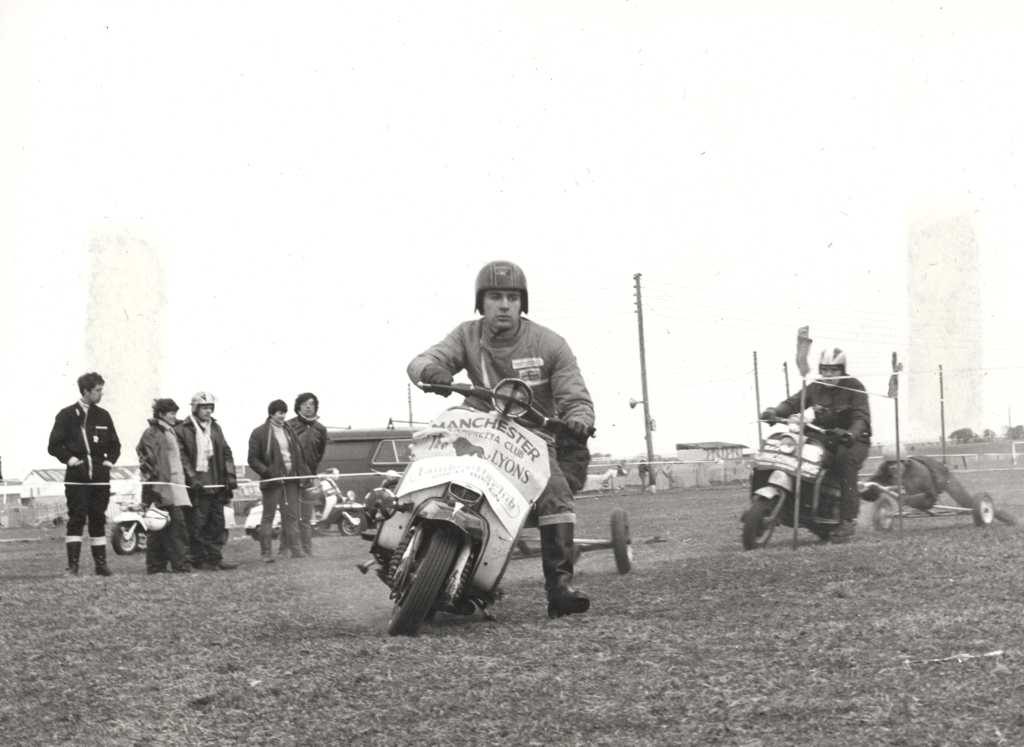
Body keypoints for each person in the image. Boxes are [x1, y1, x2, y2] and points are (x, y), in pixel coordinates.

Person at [407, 260, 595, 618]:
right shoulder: (466, 335)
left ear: (523, 303)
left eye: (512, 297)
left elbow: (575, 394)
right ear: (481, 303)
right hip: (477, 427)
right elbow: (422, 360)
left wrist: (579, 419)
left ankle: (560, 589)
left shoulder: (550, 343)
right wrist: (432, 371)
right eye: (495, 296)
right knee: (431, 465)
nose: (504, 305)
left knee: (556, 492)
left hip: (531, 440)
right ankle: (410, 551)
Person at [761, 347, 871, 542]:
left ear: (842, 370)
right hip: (824, 434)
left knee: (845, 461)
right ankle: (798, 504)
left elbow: (860, 417)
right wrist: (774, 411)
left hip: (853, 439)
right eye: (825, 370)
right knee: (797, 451)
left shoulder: (854, 387)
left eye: (834, 370)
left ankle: (847, 520)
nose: (828, 374)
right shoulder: (815, 387)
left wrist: (851, 433)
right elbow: (793, 402)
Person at [47, 371, 121, 576]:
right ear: (86, 391)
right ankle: (73, 566)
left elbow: (116, 445)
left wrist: (108, 462)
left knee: (98, 517)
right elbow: (54, 445)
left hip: (100, 478)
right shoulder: (66, 415)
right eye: (98, 390)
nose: (101, 394)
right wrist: (70, 459)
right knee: (77, 518)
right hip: (77, 477)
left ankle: (101, 565)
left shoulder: (103, 415)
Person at [175, 392, 239, 570]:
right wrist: (192, 478)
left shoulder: (216, 428)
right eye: (204, 407)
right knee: (197, 523)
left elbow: (226, 452)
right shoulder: (182, 429)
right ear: (195, 408)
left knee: (217, 522)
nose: (208, 411)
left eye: (210, 407)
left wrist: (230, 476)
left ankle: (215, 558)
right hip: (197, 486)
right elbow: (182, 457)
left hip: (216, 483)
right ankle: (199, 558)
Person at [248, 399, 309, 562]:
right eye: (280, 413)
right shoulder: (259, 433)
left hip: (291, 480)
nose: (283, 416)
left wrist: (301, 474)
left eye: (284, 412)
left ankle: (296, 550)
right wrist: (268, 473)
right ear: (271, 414)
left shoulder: (289, 431)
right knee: (268, 517)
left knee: (292, 516)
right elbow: (252, 459)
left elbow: (298, 455)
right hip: (272, 481)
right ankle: (266, 553)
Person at [136, 398, 192, 574]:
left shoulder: (170, 431)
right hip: (162, 487)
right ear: (160, 414)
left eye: (175, 413)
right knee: (173, 526)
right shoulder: (152, 433)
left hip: (174, 485)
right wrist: (156, 488)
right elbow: (150, 460)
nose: (174, 416)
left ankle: (157, 566)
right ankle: (177, 565)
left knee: (163, 527)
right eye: (171, 413)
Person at [286, 392, 328, 556]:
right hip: (291, 478)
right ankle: (292, 549)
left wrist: (312, 472)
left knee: (306, 515)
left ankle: (307, 548)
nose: (308, 407)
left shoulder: (320, 429)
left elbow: (320, 452)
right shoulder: (289, 426)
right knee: (291, 515)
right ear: (298, 407)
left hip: (309, 478)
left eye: (311, 404)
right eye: (305, 404)